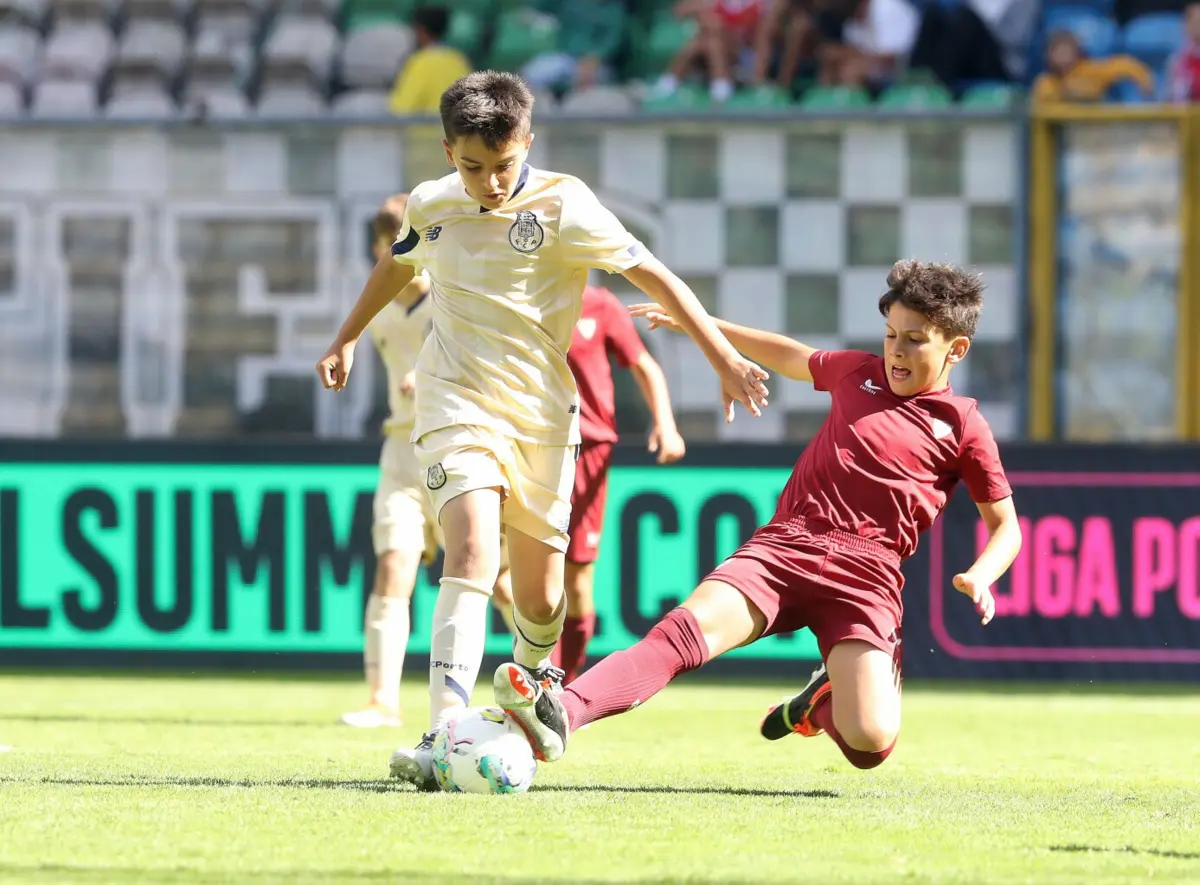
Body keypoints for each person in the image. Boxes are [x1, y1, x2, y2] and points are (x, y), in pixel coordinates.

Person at [316, 70, 768, 788]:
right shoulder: (434, 203)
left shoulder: (567, 204)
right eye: (471, 167)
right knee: (469, 549)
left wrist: (723, 356)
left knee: (541, 599)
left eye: (502, 166)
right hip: (454, 400)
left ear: (528, 141)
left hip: (543, 417)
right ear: (446, 150)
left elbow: (656, 277)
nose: (490, 183)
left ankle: (531, 687)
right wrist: (345, 337)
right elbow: (398, 267)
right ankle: (443, 733)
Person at [492, 260, 1023, 771]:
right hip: (786, 547)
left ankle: (820, 704)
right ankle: (562, 712)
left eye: (914, 339)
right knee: (680, 636)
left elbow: (1006, 529)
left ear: (956, 349)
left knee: (870, 744)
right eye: (890, 334)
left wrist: (981, 576)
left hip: (868, 576)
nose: (896, 351)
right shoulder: (856, 374)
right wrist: (704, 327)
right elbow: (789, 355)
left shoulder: (965, 425)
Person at [338, 194, 512, 729]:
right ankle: (382, 700)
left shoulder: (452, 296)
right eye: (392, 243)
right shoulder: (379, 309)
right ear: (378, 248)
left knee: (499, 580)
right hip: (401, 450)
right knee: (393, 567)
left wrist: (434, 374)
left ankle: (550, 676)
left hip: (458, 445)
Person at [492, 283, 687, 686]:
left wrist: (666, 426)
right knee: (499, 575)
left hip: (589, 448)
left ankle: (562, 687)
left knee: (576, 583)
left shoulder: (600, 304)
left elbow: (644, 365)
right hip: (529, 444)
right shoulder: (518, 296)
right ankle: (539, 673)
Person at [1032, 30, 1153, 104]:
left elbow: (1126, 66)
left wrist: (1144, 82)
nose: (1063, 57)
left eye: (1066, 52)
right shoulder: (1046, 82)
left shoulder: (1092, 70)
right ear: (1049, 55)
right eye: (1058, 52)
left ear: (1077, 52)